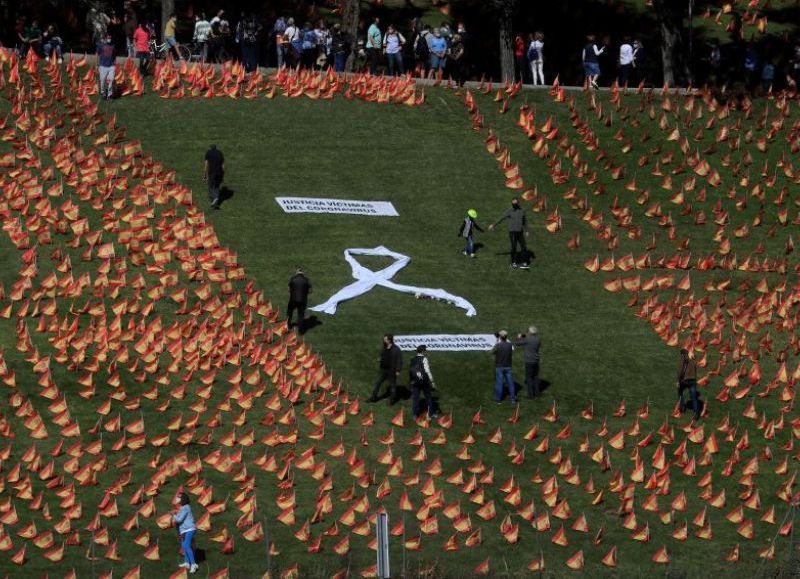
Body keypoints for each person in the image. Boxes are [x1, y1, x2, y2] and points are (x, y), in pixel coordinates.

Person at [489, 198, 530, 269]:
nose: (514, 205)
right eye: (513, 204)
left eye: (515, 204)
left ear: (518, 203)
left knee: (524, 247)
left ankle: (524, 262)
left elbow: (525, 221)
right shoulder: (509, 211)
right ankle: (513, 263)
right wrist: (493, 224)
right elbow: (501, 217)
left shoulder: (522, 211)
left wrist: (526, 231)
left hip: (520, 232)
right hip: (513, 233)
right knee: (514, 247)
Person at [368, 334, 402, 405]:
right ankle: (373, 398)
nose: (384, 340)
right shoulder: (385, 347)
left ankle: (392, 400)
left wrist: (398, 370)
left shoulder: (396, 349)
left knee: (392, 386)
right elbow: (382, 354)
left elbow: (399, 360)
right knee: (377, 383)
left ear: (389, 340)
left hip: (392, 371)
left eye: (385, 339)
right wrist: (380, 358)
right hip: (383, 370)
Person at [409, 345, 438, 419]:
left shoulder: (413, 359)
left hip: (415, 382)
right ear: (423, 351)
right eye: (425, 350)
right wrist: (432, 381)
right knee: (428, 397)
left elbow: (411, 371)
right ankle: (431, 413)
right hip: (424, 381)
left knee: (416, 398)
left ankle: (415, 415)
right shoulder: (424, 359)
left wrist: (411, 381)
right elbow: (427, 371)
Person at [173, 494, 198, 574]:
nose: (177, 499)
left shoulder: (185, 507)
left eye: (179, 498)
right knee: (184, 546)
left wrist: (173, 515)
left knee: (186, 546)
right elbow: (180, 517)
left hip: (189, 529)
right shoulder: (183, 508)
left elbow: (179, 520)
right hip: (185, 530)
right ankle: (187, 563)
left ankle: (193, 565)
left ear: (182, 499)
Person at [515, 326, 541, 398]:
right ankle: (537, 393)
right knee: (535, 377)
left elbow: (517, 343)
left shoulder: (527, 339)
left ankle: (530, 395)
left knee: (529, 378)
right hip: (536, 360)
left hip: (529, 361)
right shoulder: (538, 339)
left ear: (530, 332)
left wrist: (519, 337)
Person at [491, 331, 516, 404]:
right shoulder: (509, 345)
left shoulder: (498, 345)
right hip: (508, 366)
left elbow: (492, 352)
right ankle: (513, 399)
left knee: (499, 383)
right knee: (510, 383)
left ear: (500, 337)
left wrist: (496, 343)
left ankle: (498, 400)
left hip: (499, 366)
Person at [677, 349, 700, 420]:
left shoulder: (683, 360)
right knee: (693, 396)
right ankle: (696, 413)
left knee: (680, 392)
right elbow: (696, 369)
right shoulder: (693, 361)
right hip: (693, 381)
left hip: (685, 380)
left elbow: (681, 371)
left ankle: (682, 407)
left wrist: (678, 380)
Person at [203, 144, 224, 209]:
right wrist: (222, 174)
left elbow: (206, 164)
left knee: (210, 186)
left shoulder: (208, 152)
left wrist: (205, 175)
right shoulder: (220, 153)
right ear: (216, 148)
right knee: (217, 186)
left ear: (210, 148)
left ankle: (215, 198)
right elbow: (223, 165)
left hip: (212, 172)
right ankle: (216, 203)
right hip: (219, 172)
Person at [97, 33, 116, 100]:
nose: (109, 39)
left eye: (110, 38)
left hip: (111, 66)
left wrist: (114, 63)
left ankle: (110, 94)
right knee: (102, 80)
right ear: (105, 38)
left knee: (111, 79)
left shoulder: (113, 45)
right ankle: (103, 93)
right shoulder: (100, 45)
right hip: (103, 66)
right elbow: (97, 54)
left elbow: (114, 54)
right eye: (108, 38)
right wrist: (97, 65)